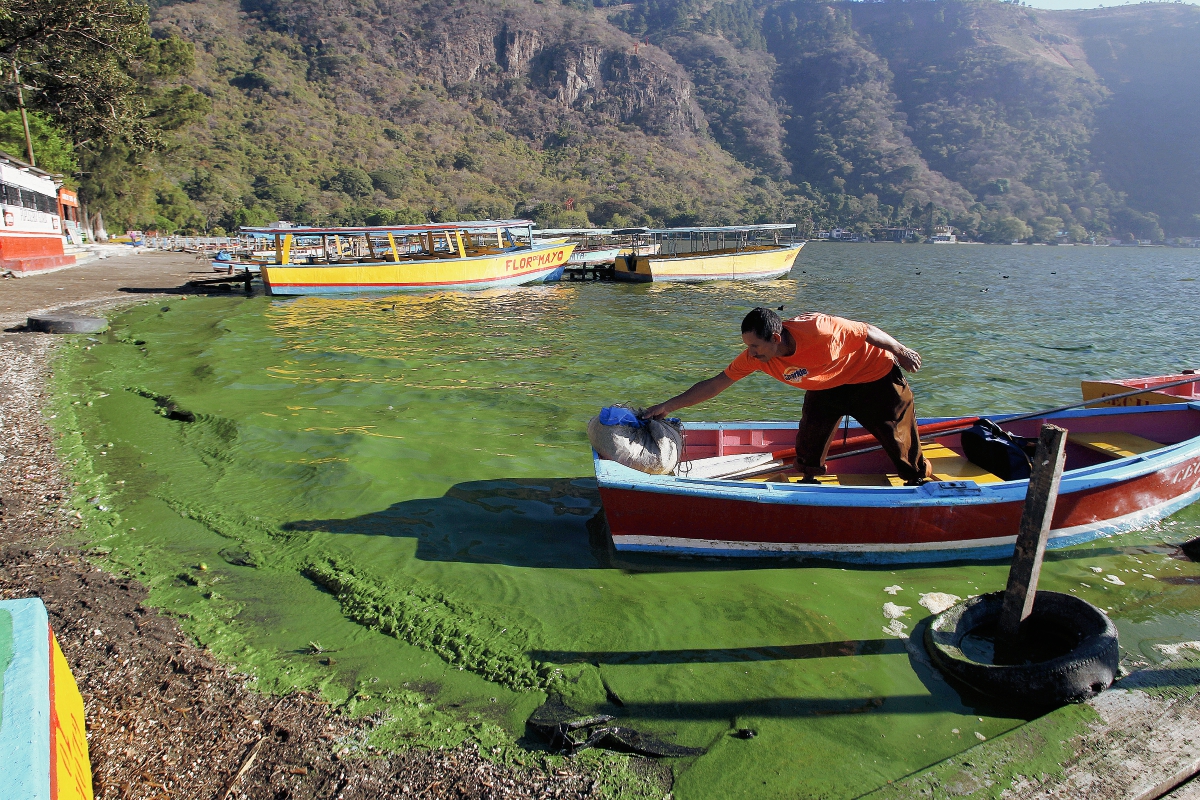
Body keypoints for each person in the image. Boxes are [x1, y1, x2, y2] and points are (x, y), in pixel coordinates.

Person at [642, 307, 934, 484]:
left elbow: (867, 330)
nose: (751, 354)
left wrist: (901, 350)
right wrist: (668, 405)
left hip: (873, 376)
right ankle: (809, 481)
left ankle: (918, 479)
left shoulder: (821, 330)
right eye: (747, 346)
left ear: (776, 338)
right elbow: (716, 383)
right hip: (826, 384)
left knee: (899, 440)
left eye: (756, 346)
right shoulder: (754, 359)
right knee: (810, 438)